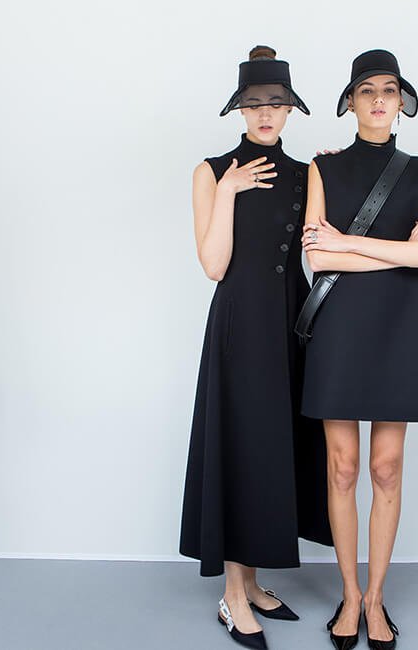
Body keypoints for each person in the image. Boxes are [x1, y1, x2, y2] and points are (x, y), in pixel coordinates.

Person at [179, 45, 332, 650]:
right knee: (241, 445)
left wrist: (337, 172)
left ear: (291, 109)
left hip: (290, 323)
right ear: (239, 109)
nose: (266, 113)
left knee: (274, 448)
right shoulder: (211, 171)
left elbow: (319, 250)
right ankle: (233, 594)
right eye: (254, 104)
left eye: (276, 103)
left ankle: (253, 580)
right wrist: (229, 191)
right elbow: (214, 265)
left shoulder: (305, 173)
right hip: (240, 325)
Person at [300, 49, 418, 650]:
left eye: (389, 90)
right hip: (341, 327)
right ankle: (349, 593)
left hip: (403, 327)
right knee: (342, 466)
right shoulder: (323, 167)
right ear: (350, 102)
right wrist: (399, 250)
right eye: (368, 90)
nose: (380, 100)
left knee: (386, 466)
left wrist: (352, 242)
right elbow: (319, 258)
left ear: (402, 102)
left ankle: (377, 597)